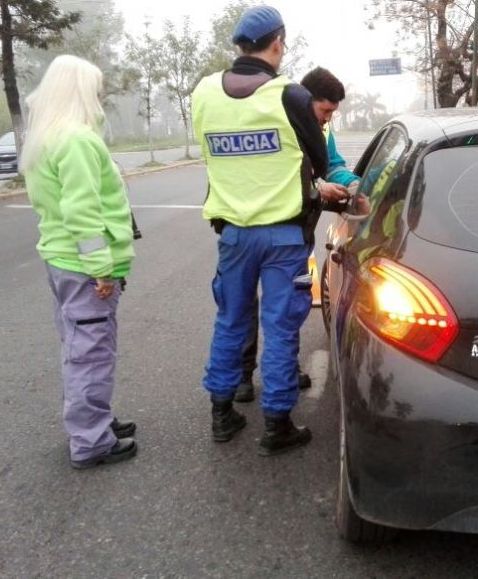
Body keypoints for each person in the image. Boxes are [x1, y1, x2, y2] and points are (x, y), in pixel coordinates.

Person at [192, 5, 348, 456]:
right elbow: (320, 164)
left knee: (230, 321)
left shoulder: (203, 93)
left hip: (234, 236)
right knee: (280, 328)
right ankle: (277, 425)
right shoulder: (291, 96)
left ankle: (222, 414)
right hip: (283, 237)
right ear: (277, 43)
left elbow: (209, 152)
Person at [21, 55, 137, 470]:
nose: (101, 96)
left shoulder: (45, 137)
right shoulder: (77, 140)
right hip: (83, 265)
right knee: (91, 352)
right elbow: (83, 212)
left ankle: (93, 422)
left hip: (61, 259)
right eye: (97, 88)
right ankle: (91, 441)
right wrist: (102, 269)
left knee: (78, 346)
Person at [234, 66, 365, 404]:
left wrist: (350, 182)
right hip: (259, 230)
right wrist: (315, 187)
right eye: (324, 111)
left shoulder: (321, 130)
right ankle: (241, 377)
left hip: (296, 233)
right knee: (244, 306)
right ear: (306, 102)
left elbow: (330, 162)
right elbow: (267, 176)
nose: (326, 121)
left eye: (332, 114)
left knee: (289, 307)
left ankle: (284, 371)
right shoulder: (275, 126)